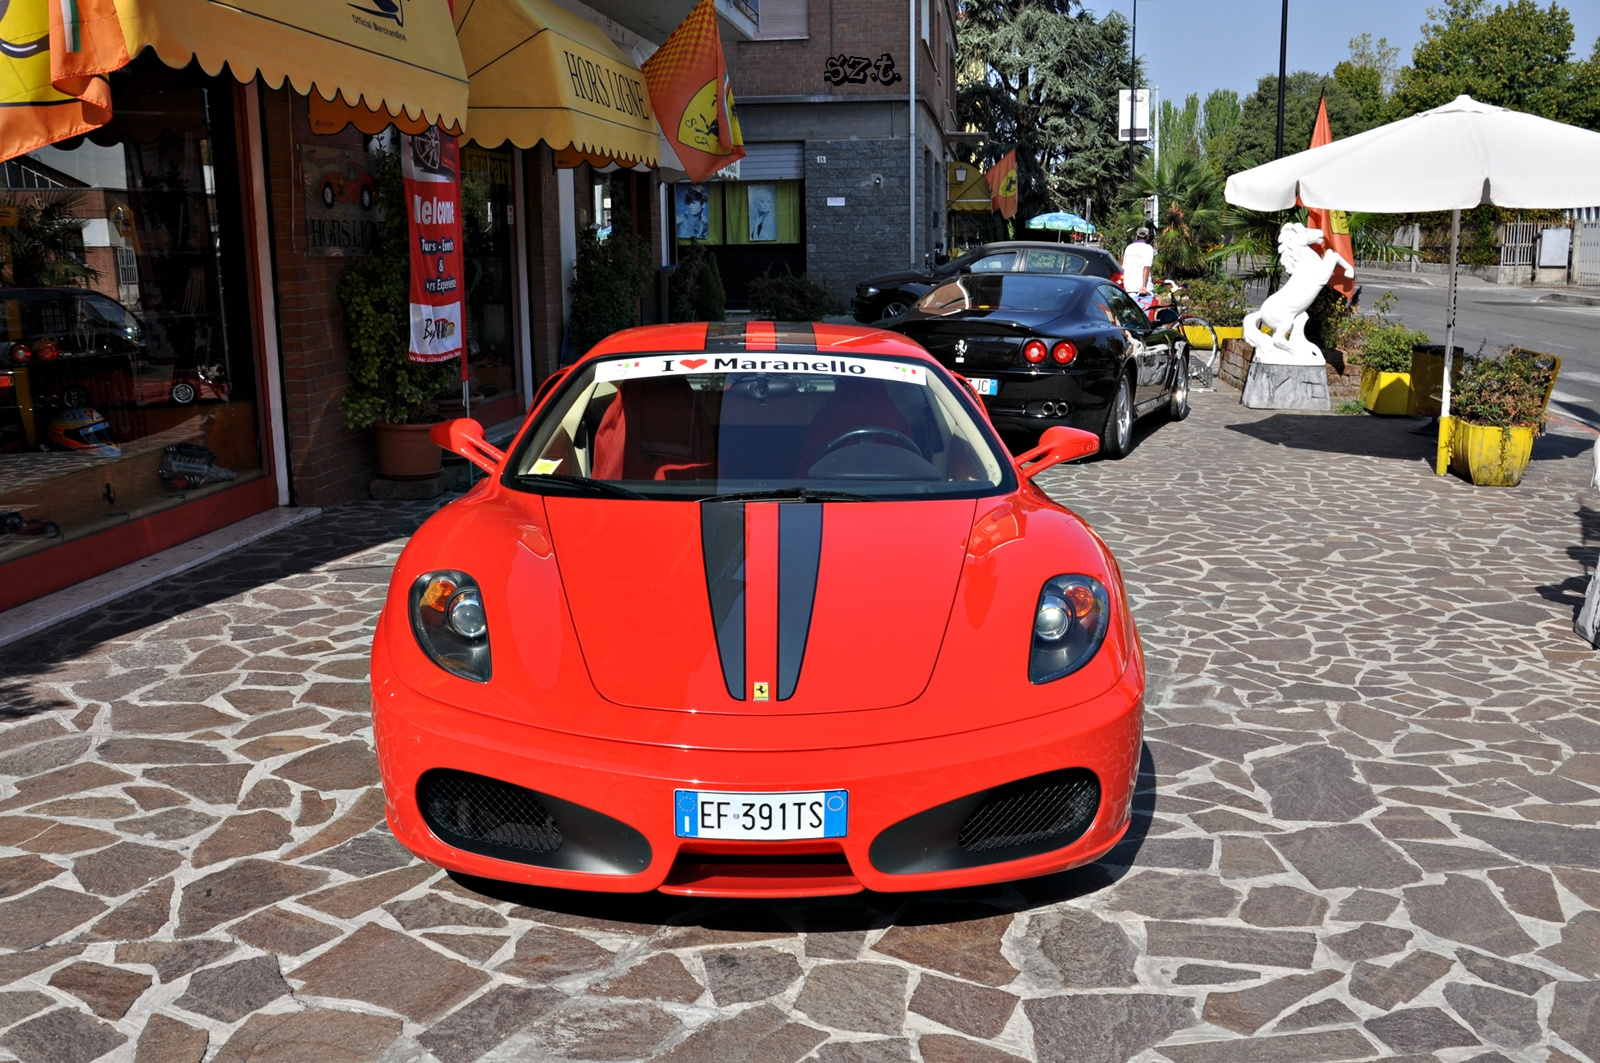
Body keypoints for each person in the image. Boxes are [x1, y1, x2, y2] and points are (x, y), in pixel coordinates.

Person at [1121, 226, 1156, 311]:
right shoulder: (1148, 248)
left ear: (1136, 235)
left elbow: (1124, 268)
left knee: (1131, 317)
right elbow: (1146, 268)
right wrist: (1144, 286)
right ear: (1147, 237)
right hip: (1143, 291)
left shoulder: (1129, 248)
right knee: (1146, 318)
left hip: (1129, 289)